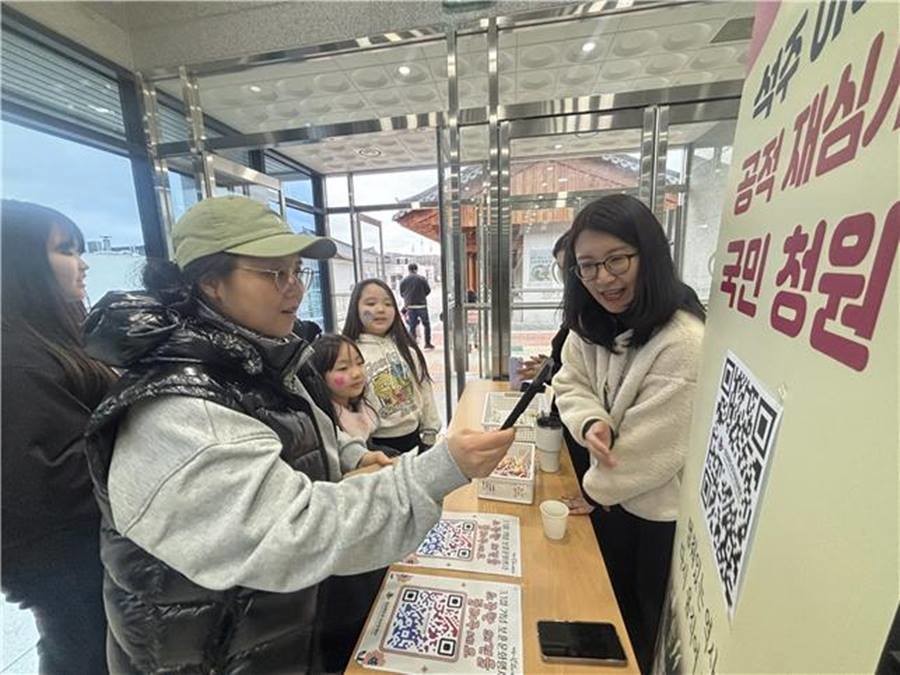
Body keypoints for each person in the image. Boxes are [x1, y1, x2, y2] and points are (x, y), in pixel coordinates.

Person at [81, 196, 515, 673]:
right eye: (274, 274)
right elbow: (293, 532)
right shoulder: (180, 409)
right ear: (210, 282)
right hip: (209, 653)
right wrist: (434, 472)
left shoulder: (259, 355)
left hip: (267, 633)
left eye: (296, 271)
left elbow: (295, 428)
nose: (292, 288)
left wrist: (346, 455)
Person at [552, 194, 706, 674]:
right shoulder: (594, 323)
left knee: (639, 633)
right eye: (588, 266)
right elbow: (569, 380)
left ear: (650, 253)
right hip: (614, 502)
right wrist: (591, 421)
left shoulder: (683, 342)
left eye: (616, 260)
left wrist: (592, 491)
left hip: (656, 521)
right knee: (603, 623)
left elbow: (645, 454)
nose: (603, 278)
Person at [1, 200, 115, 674]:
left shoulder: (50, 336)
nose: (83, 263)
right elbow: (47, 479)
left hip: (85, 556)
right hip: (68, 561)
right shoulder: (14, 358)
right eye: (67, 250)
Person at [343, 278, 442, 455]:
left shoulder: (406, 349)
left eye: (388, 304)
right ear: (355, 308)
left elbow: (424, 388)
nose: (380, 309)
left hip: (415, 439)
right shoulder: (349, 354)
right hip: (376, 446)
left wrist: (430, 433)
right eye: (371, 303)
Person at [399, 262, 434, 349]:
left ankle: (413, 344)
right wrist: (421, 296)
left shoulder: (404, 280)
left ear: (409, 270)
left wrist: (408, 299)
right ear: (416, 269)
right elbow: (428, 290)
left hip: (410, 306)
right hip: (421, 305)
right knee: (426, 325)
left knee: (412, 326)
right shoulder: (422, 279)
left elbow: (401, 293)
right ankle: (427, 343)